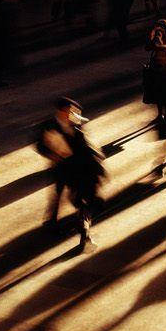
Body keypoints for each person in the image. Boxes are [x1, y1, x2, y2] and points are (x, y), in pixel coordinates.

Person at [35, 96, 105, 253]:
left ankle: (84, 236)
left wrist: (98, 170)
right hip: (60, 168)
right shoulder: (49, 125)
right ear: (61, 111)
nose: (74, 114)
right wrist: (52, 155)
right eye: (70, 111)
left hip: (79, 172)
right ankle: (52, 220)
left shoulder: (78, 125)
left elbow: (89, 149)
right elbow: (39, 145)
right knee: (57, 192)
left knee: (81, 203)